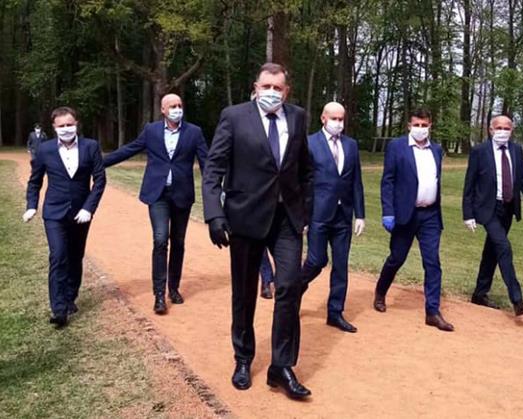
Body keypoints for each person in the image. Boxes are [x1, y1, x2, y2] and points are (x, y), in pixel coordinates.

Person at [203, 63, 313, 400]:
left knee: (289, 286)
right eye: (266, 86)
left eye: (278, 88)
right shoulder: (234, 117)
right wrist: (214, 214)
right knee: (244, 291)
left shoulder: (298, 117)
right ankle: (243, 357)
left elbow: (305, 169)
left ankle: (281, 366)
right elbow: (213, 168)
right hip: (245, 218)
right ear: (255, 87)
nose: (271, 93)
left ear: (286, 91)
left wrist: (306, 209)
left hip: (286, 219)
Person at [104, 93, 208, 315]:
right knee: (160, 239)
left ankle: (174, 288)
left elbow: (206, 162)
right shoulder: (151, 131)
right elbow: (130, 149)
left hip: (182, 195)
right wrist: (100, 163)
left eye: (179, 105)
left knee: (178, 242)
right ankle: (159, 294)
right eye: (172, 106)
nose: (177, 109)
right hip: (158, 194)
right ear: (163, 110)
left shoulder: (194, 132)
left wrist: (215, 188)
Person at [23, 107, 106, 328]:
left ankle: (70, 297)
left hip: (81, 213)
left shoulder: (90, 146)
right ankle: (59, 309)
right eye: (61, 126)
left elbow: (100, 180)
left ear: (76, 124)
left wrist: (88, 208)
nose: (66, 129)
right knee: (58, 255)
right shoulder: (45, 149)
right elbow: (35, 181)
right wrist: (31, 205)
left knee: (75, 255)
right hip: (54, 212)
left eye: (69, 124)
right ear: (54, 127)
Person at [373, 108, 454, 332]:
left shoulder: (436, 150)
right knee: (397, 258)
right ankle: (380, 291)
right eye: (416, 124)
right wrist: (388, 211)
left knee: (432, 262)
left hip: (430, 215)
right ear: (409, 126)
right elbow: (388, 181)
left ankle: (432, 311)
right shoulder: (397, 147)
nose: (420, 128)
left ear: (430, 126)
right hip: (405, 214)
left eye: (424, 125)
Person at [462, 115, 523, 316]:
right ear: (491, 130)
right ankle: (517, 300)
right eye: (498, 128)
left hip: (508, 209)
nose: (502, 131)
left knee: (492, 251)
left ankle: (479, 293)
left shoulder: (516, 150)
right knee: (504, 248)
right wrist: (468, 214)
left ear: (511, 131)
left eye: (506, 128)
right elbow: (469, 185)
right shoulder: (480, 151)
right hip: (488, 209)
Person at [300, 102, 365, 333]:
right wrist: (303, 216)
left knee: (340, 265)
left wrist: (360, 215)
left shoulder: (351, 145)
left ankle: (335, 312)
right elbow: (302, 182)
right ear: (323, 118)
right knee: (316, 260)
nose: (338, 123)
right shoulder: (309, 143)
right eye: (334, 119)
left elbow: (356, 181)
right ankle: (294, 289)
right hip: (318, 213)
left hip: (343, 215)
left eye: (341, 119)